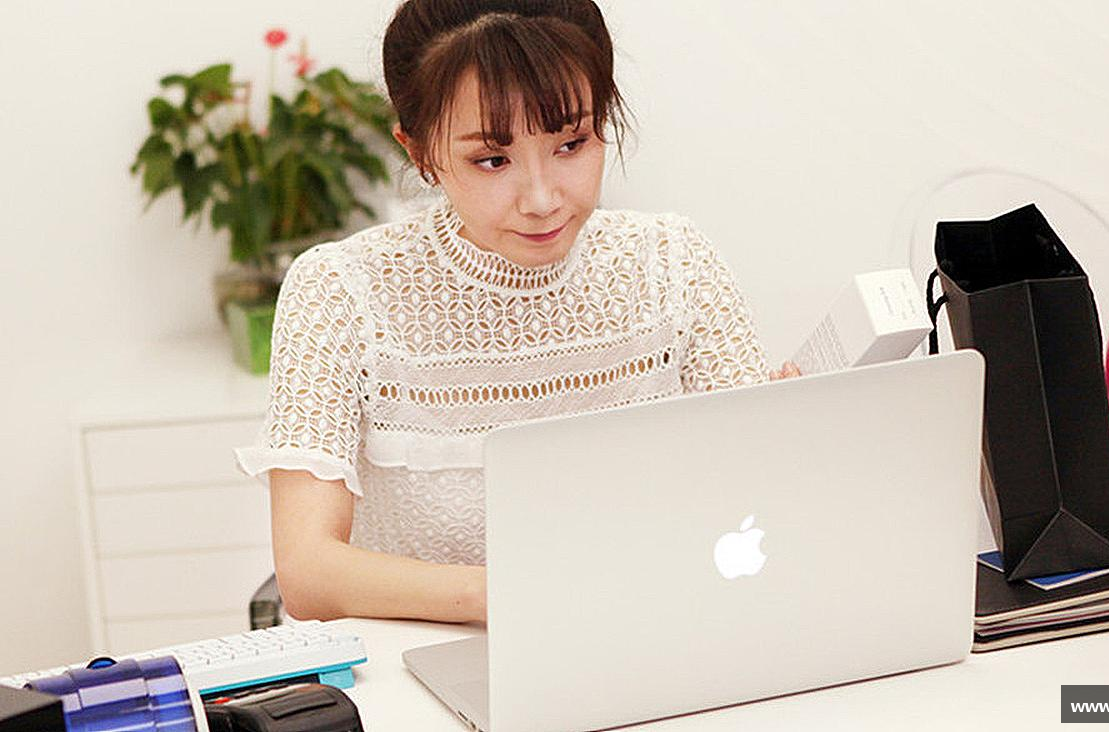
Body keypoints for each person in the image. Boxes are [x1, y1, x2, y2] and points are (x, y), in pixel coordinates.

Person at [234, 0, 799, 625]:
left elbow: (749, 511)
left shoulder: (673, 261)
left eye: (572, 143)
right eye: (493, 160)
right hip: (424, 657)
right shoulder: (341, 289)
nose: (542, 198)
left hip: (652, 631)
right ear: (419, 153)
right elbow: (308, 573)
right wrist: (524, 596)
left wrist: (788, 444)